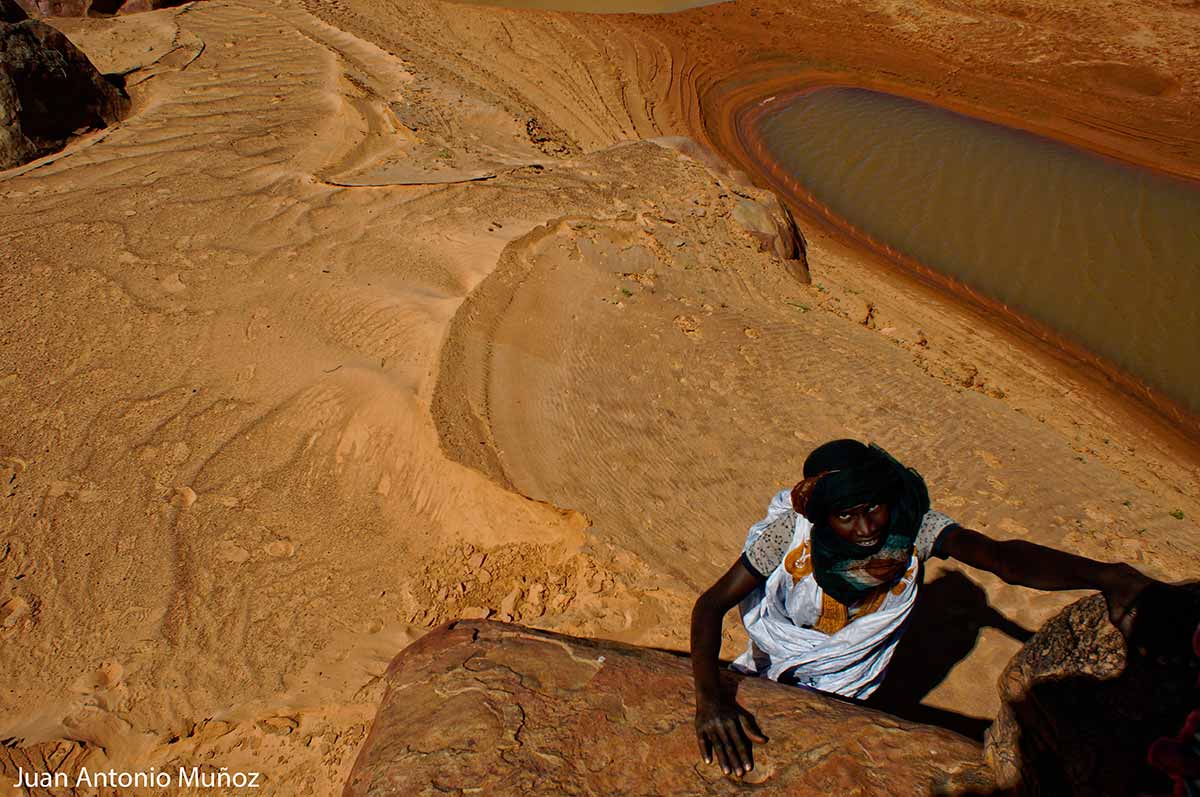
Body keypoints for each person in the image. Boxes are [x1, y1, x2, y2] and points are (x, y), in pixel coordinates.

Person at [690, 438, 1161, 778]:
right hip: (785, 645)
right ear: (822, 516)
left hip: (854, 675)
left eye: (873, 507)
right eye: (846, 515)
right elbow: (710, 606)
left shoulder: (913, 527)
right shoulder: (787, 537)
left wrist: (1106, 576)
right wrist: (710, 702)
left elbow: (1002, 559)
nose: (866, 528)